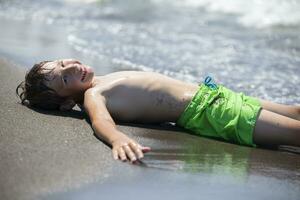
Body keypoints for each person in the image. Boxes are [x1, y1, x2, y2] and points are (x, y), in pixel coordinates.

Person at [16, 59, 300, 163]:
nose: (71, 67)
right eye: (65, 78)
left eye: (64, 62)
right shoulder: (94, 94)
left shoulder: (103, 79)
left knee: (294, 111)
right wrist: (117, 139)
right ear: (66, 103)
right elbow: (100, 121)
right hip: (213, 113)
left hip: (216, 95)